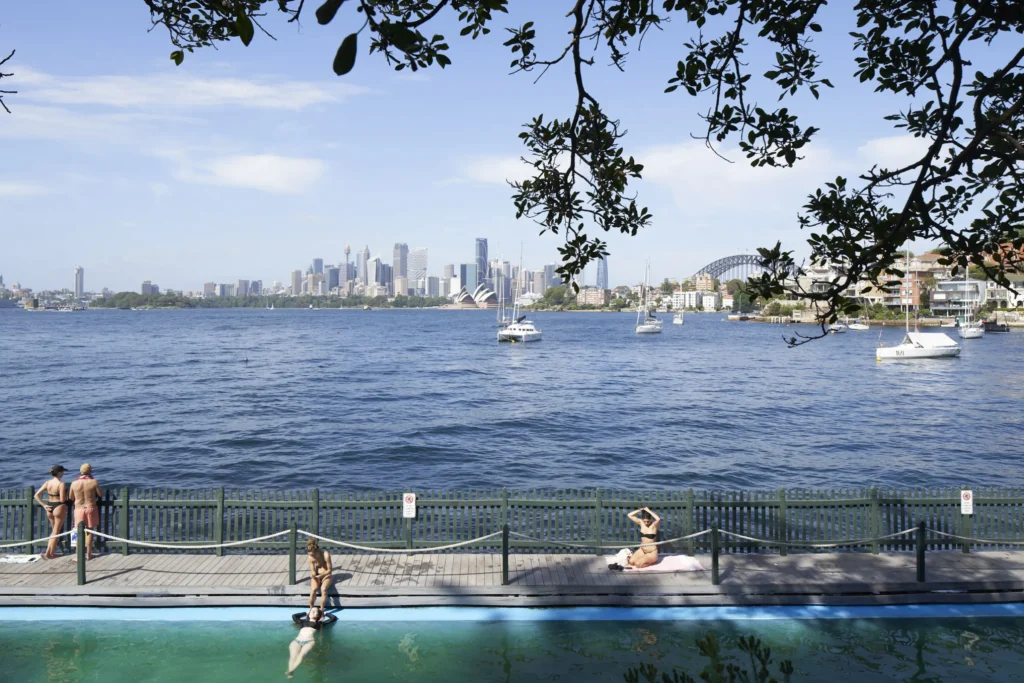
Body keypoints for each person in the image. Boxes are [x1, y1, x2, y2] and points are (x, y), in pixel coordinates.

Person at [286, 606, 336, 677]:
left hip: (309, 641)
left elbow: (333, 618)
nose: (313, 612)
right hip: (297, 641)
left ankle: (292, 670)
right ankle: (290, 673)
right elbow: (294, 616)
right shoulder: (302, 622)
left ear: (318, 615)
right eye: (312, 611)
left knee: (301, 655)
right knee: (292, 657)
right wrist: (305, 612)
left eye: (315, 611)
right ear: (309, 614)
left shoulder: (320, 624)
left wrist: (325, 613)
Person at [68, 463, 103, 561]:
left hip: (79, 509)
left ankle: (79, 555)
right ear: (90, 471)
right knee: (89, 531)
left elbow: (71, 497)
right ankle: (89, 554)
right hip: (90, 508)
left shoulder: (74, 483)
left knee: (79, 532)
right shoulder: (93, 482)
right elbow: (100, 494)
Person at [33, 465, 68, 559]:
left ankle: (51, 552)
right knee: (56, 532)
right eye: (62, 472)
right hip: (58, 507)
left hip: (49, 506)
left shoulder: (48, 482)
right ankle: (48, 553)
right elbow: (62, 499)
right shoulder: (61, 484)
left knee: (54, 531)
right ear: (59, 473)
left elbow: (36, 495)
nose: (63, 473)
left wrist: (44, 505)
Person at [305, 538, 333, 611]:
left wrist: (321, 576)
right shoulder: (310, 557)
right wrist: (313, 575)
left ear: (317, 551)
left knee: (323, 589)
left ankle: (322, 609)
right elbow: (313, 571)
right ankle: (311, 608)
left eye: (314, 555)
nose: (313, 557)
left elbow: (329, 570)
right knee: (313, 590)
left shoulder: (325, 555)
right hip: (318, 575)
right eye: (311, 555)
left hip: (326, 574)